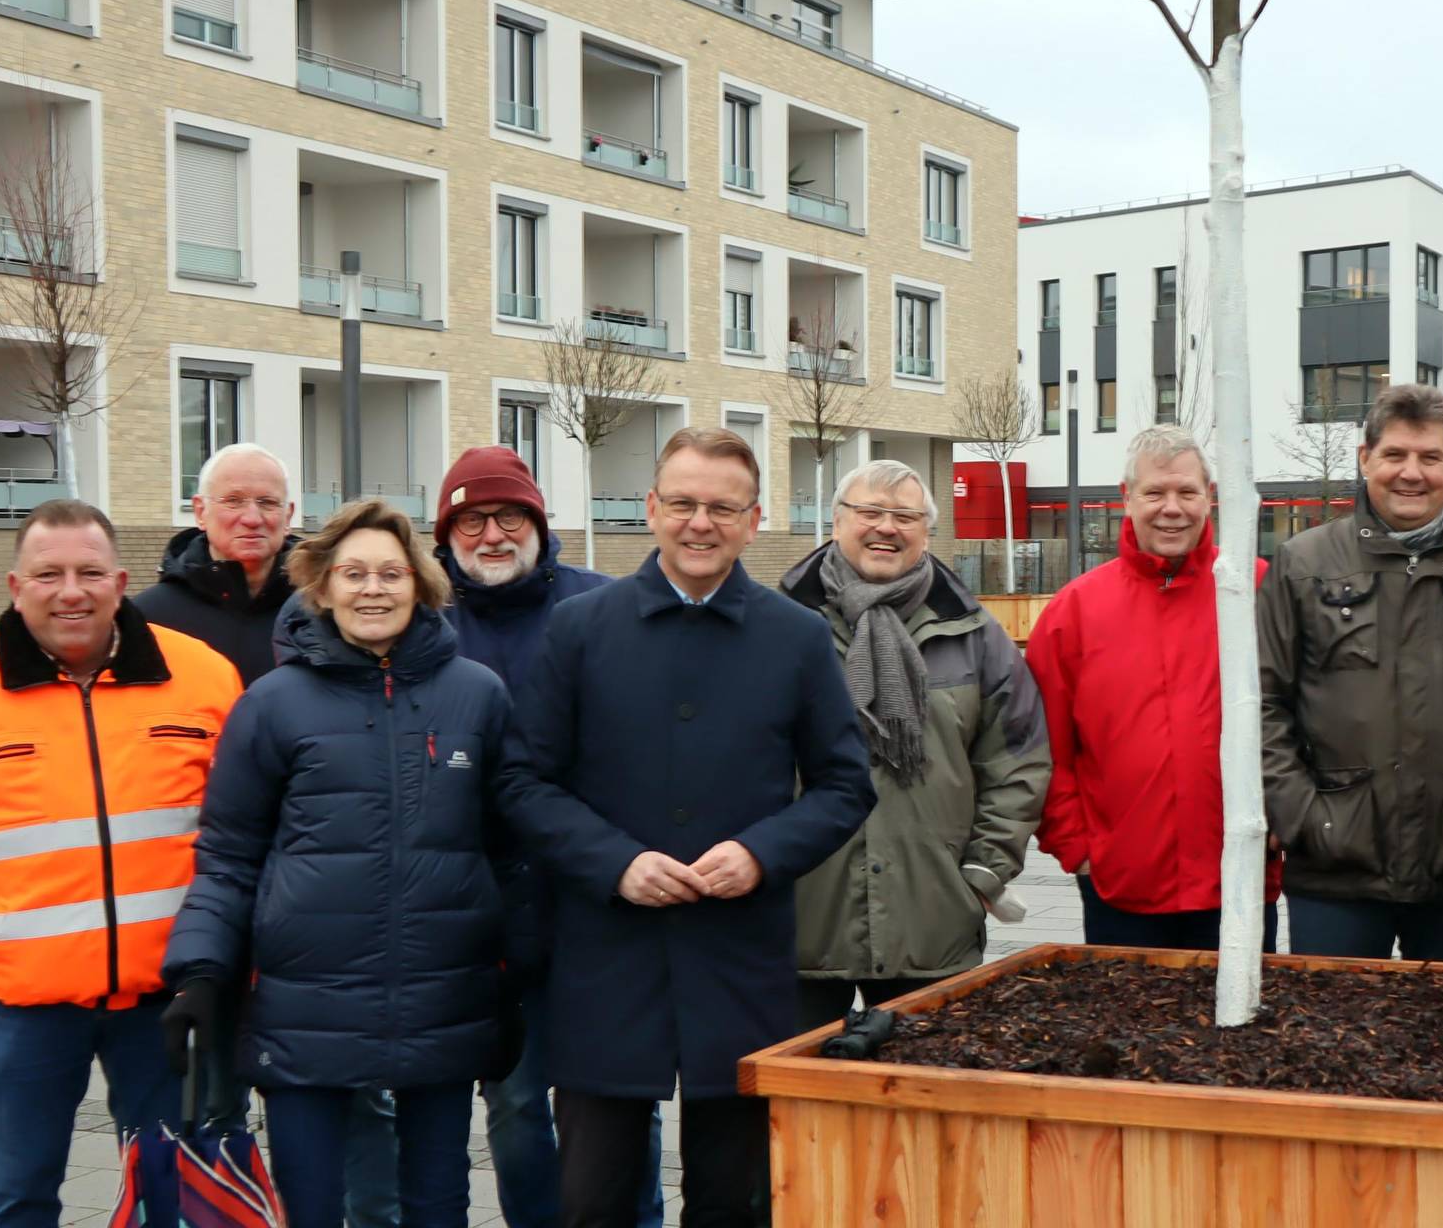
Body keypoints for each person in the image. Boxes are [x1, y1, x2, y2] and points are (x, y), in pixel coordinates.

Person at [498, 427, 875, 1228]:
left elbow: (845, 786)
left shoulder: (797, 637)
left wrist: (761, 853)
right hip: (606, 955)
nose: (700, 523)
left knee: (731, 1199)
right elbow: (524, 781)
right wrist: (615, 864)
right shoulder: (579, 628)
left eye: (721, 507)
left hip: (739, 957)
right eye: (682, 503)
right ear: (650, 509)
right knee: (591, 1199)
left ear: (753, 518)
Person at [0, 499, 243, 1227]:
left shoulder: (202, 678)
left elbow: (236, 832)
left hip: (165, 1001)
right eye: (49, 574)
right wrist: (1, 927)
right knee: (16, 1196)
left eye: (88, 572)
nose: (70, 590)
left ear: (120, 581)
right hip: (21, 1010)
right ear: (15, 587)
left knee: (173, 1195)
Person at [159, 500, 523, 1227]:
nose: (373, 589)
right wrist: (199, 969)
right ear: (320, 588)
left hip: (441, 1003)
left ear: (421, 586)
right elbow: (228, 855)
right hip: (304, 1011)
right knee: (313, 1207)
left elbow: (512, 847)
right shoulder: (271, 704)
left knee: (438, 1206)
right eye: (353, 573)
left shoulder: (476, 695)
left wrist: (525, 964)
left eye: (392, 573)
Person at [341, 447, 615, 1228]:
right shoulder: (419, 631)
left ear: (538, 521)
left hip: (593, 901)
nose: (491, 535)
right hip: (468, 912)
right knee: (518, 1105)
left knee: (612, 1101)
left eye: (508, 516)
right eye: (470, 521)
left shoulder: (600, 609)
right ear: (445, 537)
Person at [1259, 385, 1443, 961]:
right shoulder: (1302, 565)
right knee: (1332, 1043)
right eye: (1395, 455)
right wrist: (1303, 815)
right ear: (1366, 459)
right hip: (1336, 867)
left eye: (1430, 457)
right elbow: (1263, 701)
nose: (1412, 473)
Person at [782, 460, 1051, 1029]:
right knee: (796, 1112)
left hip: (935, 921)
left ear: (927, 531)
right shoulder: (779, 625)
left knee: (926, 1108)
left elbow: (1018, 761)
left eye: (905, 516)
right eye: (870, 513)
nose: (887, 527)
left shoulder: (975, 634)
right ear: (836, 522)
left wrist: (981, 875)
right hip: (800, 924)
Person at [1027, 425, 1278, 950]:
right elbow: (1045, 750)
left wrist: (1283, 826)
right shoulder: (1073, 613)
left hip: (1239, 877)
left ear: (1208, 497)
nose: (1172, 508)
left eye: (1186, 492)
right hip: (1121, 886)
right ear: (1126, 498)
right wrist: (1078, 847)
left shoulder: (1257, 591)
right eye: (1155, 493)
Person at [136, 443, 301, 684]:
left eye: (267, 502)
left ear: (288, 516)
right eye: (234, 501)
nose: (252, 519)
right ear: (200, 511)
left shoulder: (322, 610)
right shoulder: (150, 617)